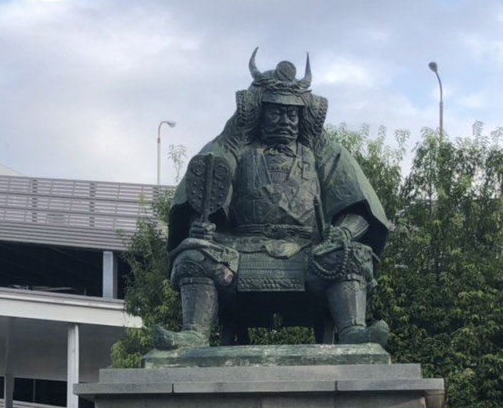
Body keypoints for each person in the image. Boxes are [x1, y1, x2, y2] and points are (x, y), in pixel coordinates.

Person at [152, 52, 390, 349]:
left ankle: (354, 330)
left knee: (353, 254)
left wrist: (343, 232)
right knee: (192, 256)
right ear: (259, 113)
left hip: (309, 255)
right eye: (276, 112)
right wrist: (203, 227)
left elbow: (359, 208)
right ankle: (194, 333)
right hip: (240, 253)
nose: (286, 121)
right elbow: (205, 183)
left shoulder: (324, 153)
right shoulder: (235, 148)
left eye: (292, 114)